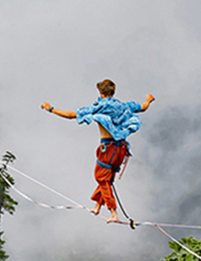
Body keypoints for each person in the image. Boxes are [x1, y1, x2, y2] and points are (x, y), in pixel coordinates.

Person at [41, 79, 155, 226]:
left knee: (101, 177)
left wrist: (50, 108)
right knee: (107, 177)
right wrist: (148, 99)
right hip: (121, 149)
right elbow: (143, 107)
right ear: (113, 92)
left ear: (101, 92)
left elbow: (70, 115)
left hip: (108, 148)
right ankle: (97, 206)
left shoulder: (99, 107)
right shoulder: (124, 106)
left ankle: (113, 212)